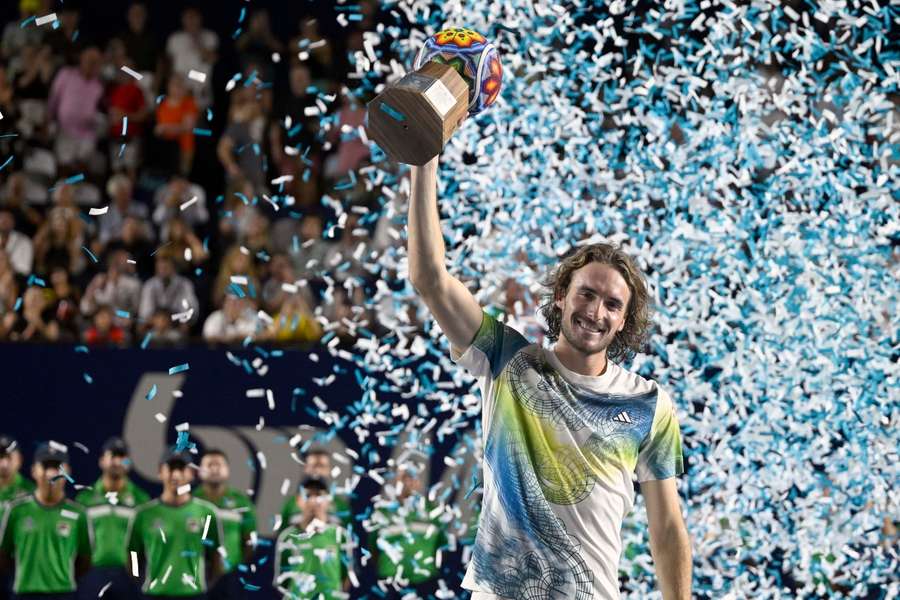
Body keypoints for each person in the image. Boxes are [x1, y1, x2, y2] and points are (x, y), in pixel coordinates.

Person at [406, 157, 692, 599]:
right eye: (587, 294)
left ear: (623, 322)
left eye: (612, 305)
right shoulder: (506, 358)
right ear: (561, 297)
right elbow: (430, 278)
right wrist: (424, 164)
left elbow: (668, 528)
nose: (596, 312)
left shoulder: (649, 404)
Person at [125, 450, 224, 599]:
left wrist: (203, 585)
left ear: (191, 473)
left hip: (193, 595)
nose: (176, 475)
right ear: (160, 472)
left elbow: (215, 555)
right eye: (171, 468)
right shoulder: (144, 515)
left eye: (181, 469)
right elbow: (133, 553)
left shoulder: (206, 513)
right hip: (155, 595)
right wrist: (140, 581)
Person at [0, 443, 93, 599]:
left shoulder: (78, 514)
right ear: (34, 471)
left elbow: (85, 560)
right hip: (25, 593)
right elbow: (3, 555)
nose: (51, 474)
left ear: (67, 472)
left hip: (63, 593)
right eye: (45, 466)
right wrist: (25, 574)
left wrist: (61, 576)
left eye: (57, 467)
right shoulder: (16, 510)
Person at [75, 438, 149, 600]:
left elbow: (142, 544)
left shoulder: (141, 499)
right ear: (102, 461)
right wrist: (84, 573)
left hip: (128, 575)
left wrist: (136, 574)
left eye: (122, 457)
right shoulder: (85, 499)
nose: (117, 461)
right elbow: (78, 544)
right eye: (112, 456)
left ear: (129, 462)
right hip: (93, 574)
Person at [367, 453, 446, 598]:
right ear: (396, 479)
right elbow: (372, 549)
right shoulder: (381, 512)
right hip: (390, 584)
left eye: (414, 476)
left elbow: (444, 547)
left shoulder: (433, 511)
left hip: (426, 583)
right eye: (404, 476)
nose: (409, 481)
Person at [194, 449, 257, 600]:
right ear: (200, 471)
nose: (214, 469)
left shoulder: (241, 502)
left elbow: (250, 541)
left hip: (231, 577)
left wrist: (235, 567)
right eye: (209, 465)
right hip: (196, 574)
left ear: (228, 470)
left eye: (219, 465)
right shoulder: (191, 501)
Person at [273, 477, 347, 599]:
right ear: (298, 501)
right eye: (307, 495)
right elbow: (282, 580)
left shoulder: (341, 535)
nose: (313, 501)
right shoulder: (287, 537)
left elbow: (346, 577)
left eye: (319, 495)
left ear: (328, 500)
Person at [279, 448, 351, 532]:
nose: (317, 470)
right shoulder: (290, 504)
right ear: (305, 468)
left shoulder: (340, 505)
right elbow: (282, 536)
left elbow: (349, 538)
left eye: (321, 466)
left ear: (329, 470)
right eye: (313, 466)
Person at [0, 436, 34, 512]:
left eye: (9, 457)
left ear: (20, 460)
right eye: (0, 457)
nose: (4, 464)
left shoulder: (32, 493)